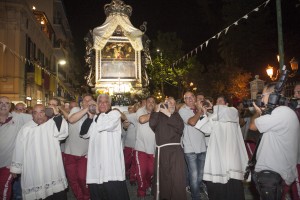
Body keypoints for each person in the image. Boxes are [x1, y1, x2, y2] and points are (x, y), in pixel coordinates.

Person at [249, 83, 300, 200]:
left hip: (274, 174)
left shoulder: (280, 112)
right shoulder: (284, 112)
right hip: (277, 174)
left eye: (263, 95)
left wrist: (258, 111)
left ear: (272, 96)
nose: (261, 98)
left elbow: (252, 126)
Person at [10, 104, 69, 199]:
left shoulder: (52, 124)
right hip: (33, 168)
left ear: (46, 113)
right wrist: (16, 168)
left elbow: (62, 133)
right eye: (35, 112)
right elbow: (19, 148)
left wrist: (57, 114)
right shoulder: (26, 128)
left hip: (51, 168)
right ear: (32, 115)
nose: (39, 115)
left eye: (42, 112)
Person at [195, 95, 248, 200]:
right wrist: (204, 114)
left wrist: (212, 107)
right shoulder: (214, 116)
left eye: (220, 101)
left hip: (231, 152)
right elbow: (205, 129)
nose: (217, 103)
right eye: (216, 101)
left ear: (226, 104)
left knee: (232, 180)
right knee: (218, 180)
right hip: (218, 152)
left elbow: (224, 112)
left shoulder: (232, 112)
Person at [80, 94, 129, 200]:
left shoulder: (115, 114)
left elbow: (106, 125)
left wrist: (97, 114)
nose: (102, 104)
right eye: (100, 102)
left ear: (110, 104)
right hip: (96, 165)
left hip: (111, 166)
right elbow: (84, 134)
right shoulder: (95, 118)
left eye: (105, 101)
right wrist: (90, 117)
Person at [149, 97, 187, 200]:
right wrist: (157, 111)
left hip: (176, 152)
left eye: (174, 103)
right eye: (169, 102)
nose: (172, 104)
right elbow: (152, 124)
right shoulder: (158, 115)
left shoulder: (176, 115)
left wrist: (168, 114)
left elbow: (180, 127)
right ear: (164, 104)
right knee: (164, 178)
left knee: (177, 179)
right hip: (163, 151)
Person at [63, 94, 95, 200]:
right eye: (85, 101)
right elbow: (71, 119)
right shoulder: (76, 109)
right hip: (70, 152)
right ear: (81, 103)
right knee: (72, 179)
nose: (87, 102)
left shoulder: (95, 114)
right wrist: (86, 109)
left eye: (90, 100)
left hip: (85, 154)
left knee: (83, 178)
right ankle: (79, 197)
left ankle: (87, 196)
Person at [0, 96, 32, 200]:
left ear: (10, 107)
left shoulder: (18, 117)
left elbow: (40, 117)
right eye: (1, 103)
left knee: (4, 190)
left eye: (7, 103)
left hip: (7, 164)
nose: (3, 105)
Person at [178, 91, 208, 200]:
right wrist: (200, 112)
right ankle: (196, 197)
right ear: (184, 100)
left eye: (191, 97)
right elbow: (191, 122)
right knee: (194, 176)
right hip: (190, 148)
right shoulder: (183, 110)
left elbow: (206, 124)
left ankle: (194, 188)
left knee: (200, 175)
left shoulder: (199, 109)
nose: (190, 99)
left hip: (202, 146)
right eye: (187, 98)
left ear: (195, 98)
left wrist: (204, 111)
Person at [135, 96, 156, 199]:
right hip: (141, 148)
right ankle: (141, 192)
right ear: (146, 103)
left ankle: (147, 184)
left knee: (151, 171)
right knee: (141, 172)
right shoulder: (140, 110)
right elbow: (142, 120)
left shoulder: (158, 113)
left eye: (153, 102)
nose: (151, 103)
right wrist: (156, 112)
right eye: (149, 101)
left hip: (153, 148)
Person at [122, 105, 138, 185]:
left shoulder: (137, 117)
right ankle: (125, 173)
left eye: (132, 108)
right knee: (127, 161)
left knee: (134, 162)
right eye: (129, 109)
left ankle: (132, 178)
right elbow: (123, 131)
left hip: (136, 145)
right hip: (128, 144)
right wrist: (125, 127)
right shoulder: (126, 118)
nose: (130, 110)